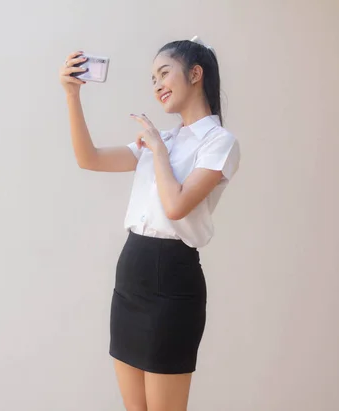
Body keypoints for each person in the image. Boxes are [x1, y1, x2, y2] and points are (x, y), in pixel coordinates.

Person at [59, 37, 240, 411]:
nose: (157, 84)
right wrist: (72, 96)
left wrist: (157, 148)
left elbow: (175, 207)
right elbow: (88, 158)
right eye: (152, 78)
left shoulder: (219, 142)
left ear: (195, 74)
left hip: (172, 282)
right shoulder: (165, 138)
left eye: (163, 73)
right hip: (131, 276)